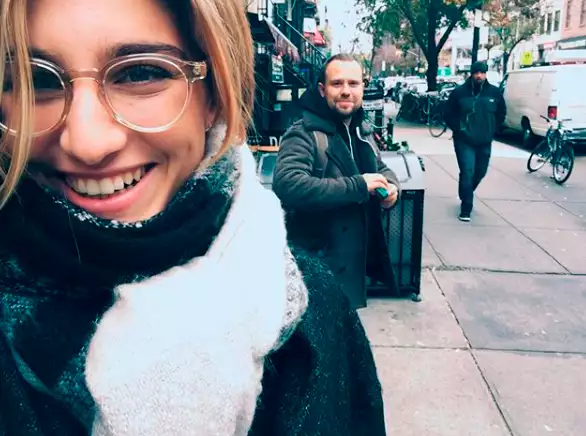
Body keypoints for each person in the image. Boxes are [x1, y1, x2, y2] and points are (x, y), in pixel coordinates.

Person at [0, 1, 386, 435]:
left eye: (139, 73)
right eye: (36, 80)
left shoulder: (314, 311)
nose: (87, 143)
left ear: (214, 97)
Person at [272, 53, 401, 310]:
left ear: (363, 87)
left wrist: (391, 187)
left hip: (352, 264)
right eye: (337, 83)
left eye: (353, 84)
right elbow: (288, 183)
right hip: (316, 269)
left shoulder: (360, 129)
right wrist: (359, 186)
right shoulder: (304, 133)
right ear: (322, 90)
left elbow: (379, 167)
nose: (346, 91)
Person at [444, 61, 506, 222]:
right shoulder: (459, 93)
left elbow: (501, 113)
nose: (479, 76)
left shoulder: (494, 93)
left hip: (485, 140)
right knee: (467, 171)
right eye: (476, 72)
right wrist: (458, 129)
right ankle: (466, 208)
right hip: (464, 140)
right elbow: (448, 113)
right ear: (471, 74)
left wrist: (494, 130)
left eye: (482, 73)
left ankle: (465, 191)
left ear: (486, 74)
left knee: (480, 171)